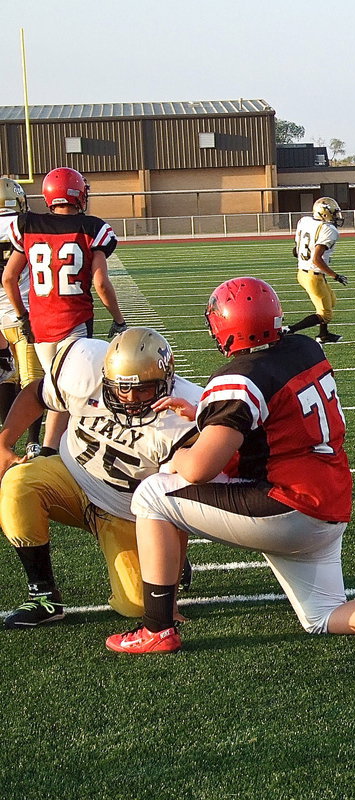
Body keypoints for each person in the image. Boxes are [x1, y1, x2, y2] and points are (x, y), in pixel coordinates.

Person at [104, 277, 355, 653]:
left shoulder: (238, 379)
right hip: (329, 507)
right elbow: (277, 417)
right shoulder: (304, 348)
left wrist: (172, 451)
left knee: (154, 492)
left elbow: (199, 467)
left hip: (286, 506)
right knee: (324, 615)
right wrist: (203, 417)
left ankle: (157, 628)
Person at [0, 328, 200, 627]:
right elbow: (37, 394)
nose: (131, 399)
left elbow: (176, 501)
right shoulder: (84, 363)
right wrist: (4, 443)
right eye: (122, 388)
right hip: (70, 475)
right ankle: (43, 596)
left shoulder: (189, 414)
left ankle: (167, 556)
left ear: (167, 382)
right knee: (19, 485)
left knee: (137, 606)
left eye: (144, 389)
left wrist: (168, 554)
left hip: (125, 512)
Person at [2, 167, 128, 455]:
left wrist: (24, 317)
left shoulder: (28, 225)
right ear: (79, 195)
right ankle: (60, 451)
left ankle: (49, 450)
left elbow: (9, 278)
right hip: (75, 322)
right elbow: (100, 282)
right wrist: (118, 320)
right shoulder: (91, 227)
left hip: (42, 326)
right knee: (77, 391)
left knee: (58, 389)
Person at [0, 177, 45, 455]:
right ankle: (32, 441)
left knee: (6, 379)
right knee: (32, 382)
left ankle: (7, 441)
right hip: (25, 312)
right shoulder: (28, 224)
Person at [288, 197, 348, 344]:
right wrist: (335, 275)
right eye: (334, 213)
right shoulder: (328, 230)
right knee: (325, 314)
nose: (336, 217)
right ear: (324, 213)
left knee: (331, 302)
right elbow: (316, 259)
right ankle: (288, 330)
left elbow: (295, 250)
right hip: (312, 275)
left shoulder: (305, 221)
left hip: (304, 272)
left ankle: (323, 334)